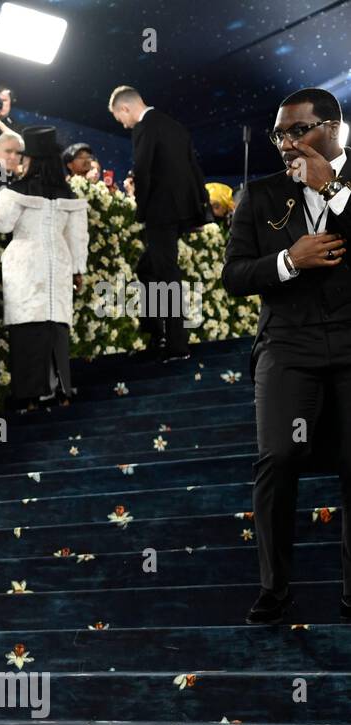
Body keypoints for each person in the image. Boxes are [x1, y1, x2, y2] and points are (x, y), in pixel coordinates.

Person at [221, 87, 350, 625]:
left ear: (333, 128)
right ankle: (274, 589)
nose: (287, 143)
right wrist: (288, 261)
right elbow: (233, 276)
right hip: (287, 345)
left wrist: (333, 190)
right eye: (279, 134)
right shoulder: (260, 194)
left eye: (299, 130)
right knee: (277, 458)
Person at [0, 126, 90, 410]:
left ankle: (30, 396)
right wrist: (78, 270)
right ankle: (59, 391)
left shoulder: (16, 191)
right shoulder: (68, 195)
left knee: (29, 326)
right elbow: (78, 238)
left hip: (27, 263)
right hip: (59, 263)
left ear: (31, 160)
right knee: (56, 325)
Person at [109, 85, 210, 361]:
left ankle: (175, 344)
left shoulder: (144, 127)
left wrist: (139, 205)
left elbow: (142, 170)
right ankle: (157, 331)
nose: (123, 124)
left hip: (160, 212)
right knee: (148, 268)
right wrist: (200, 210)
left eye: (120, 118)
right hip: (182, 210)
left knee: (167, 274)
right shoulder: (175, 125)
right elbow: (193, 168)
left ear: (125, 108)